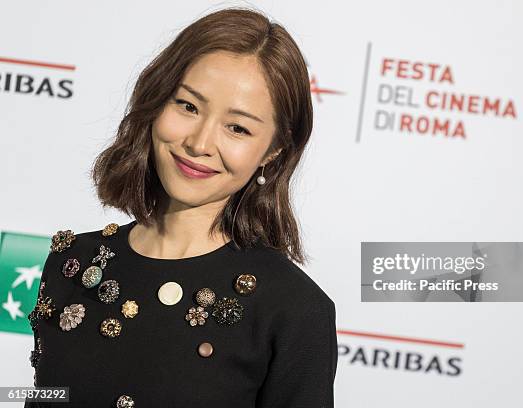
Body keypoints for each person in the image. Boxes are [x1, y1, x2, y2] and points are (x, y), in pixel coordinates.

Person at [25, 7, 337, 407]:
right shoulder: (72, 263)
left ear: (273, 151)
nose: (200, 143)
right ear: (156, 101)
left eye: (238, 127)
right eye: (188, 106)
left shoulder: (294, 311)